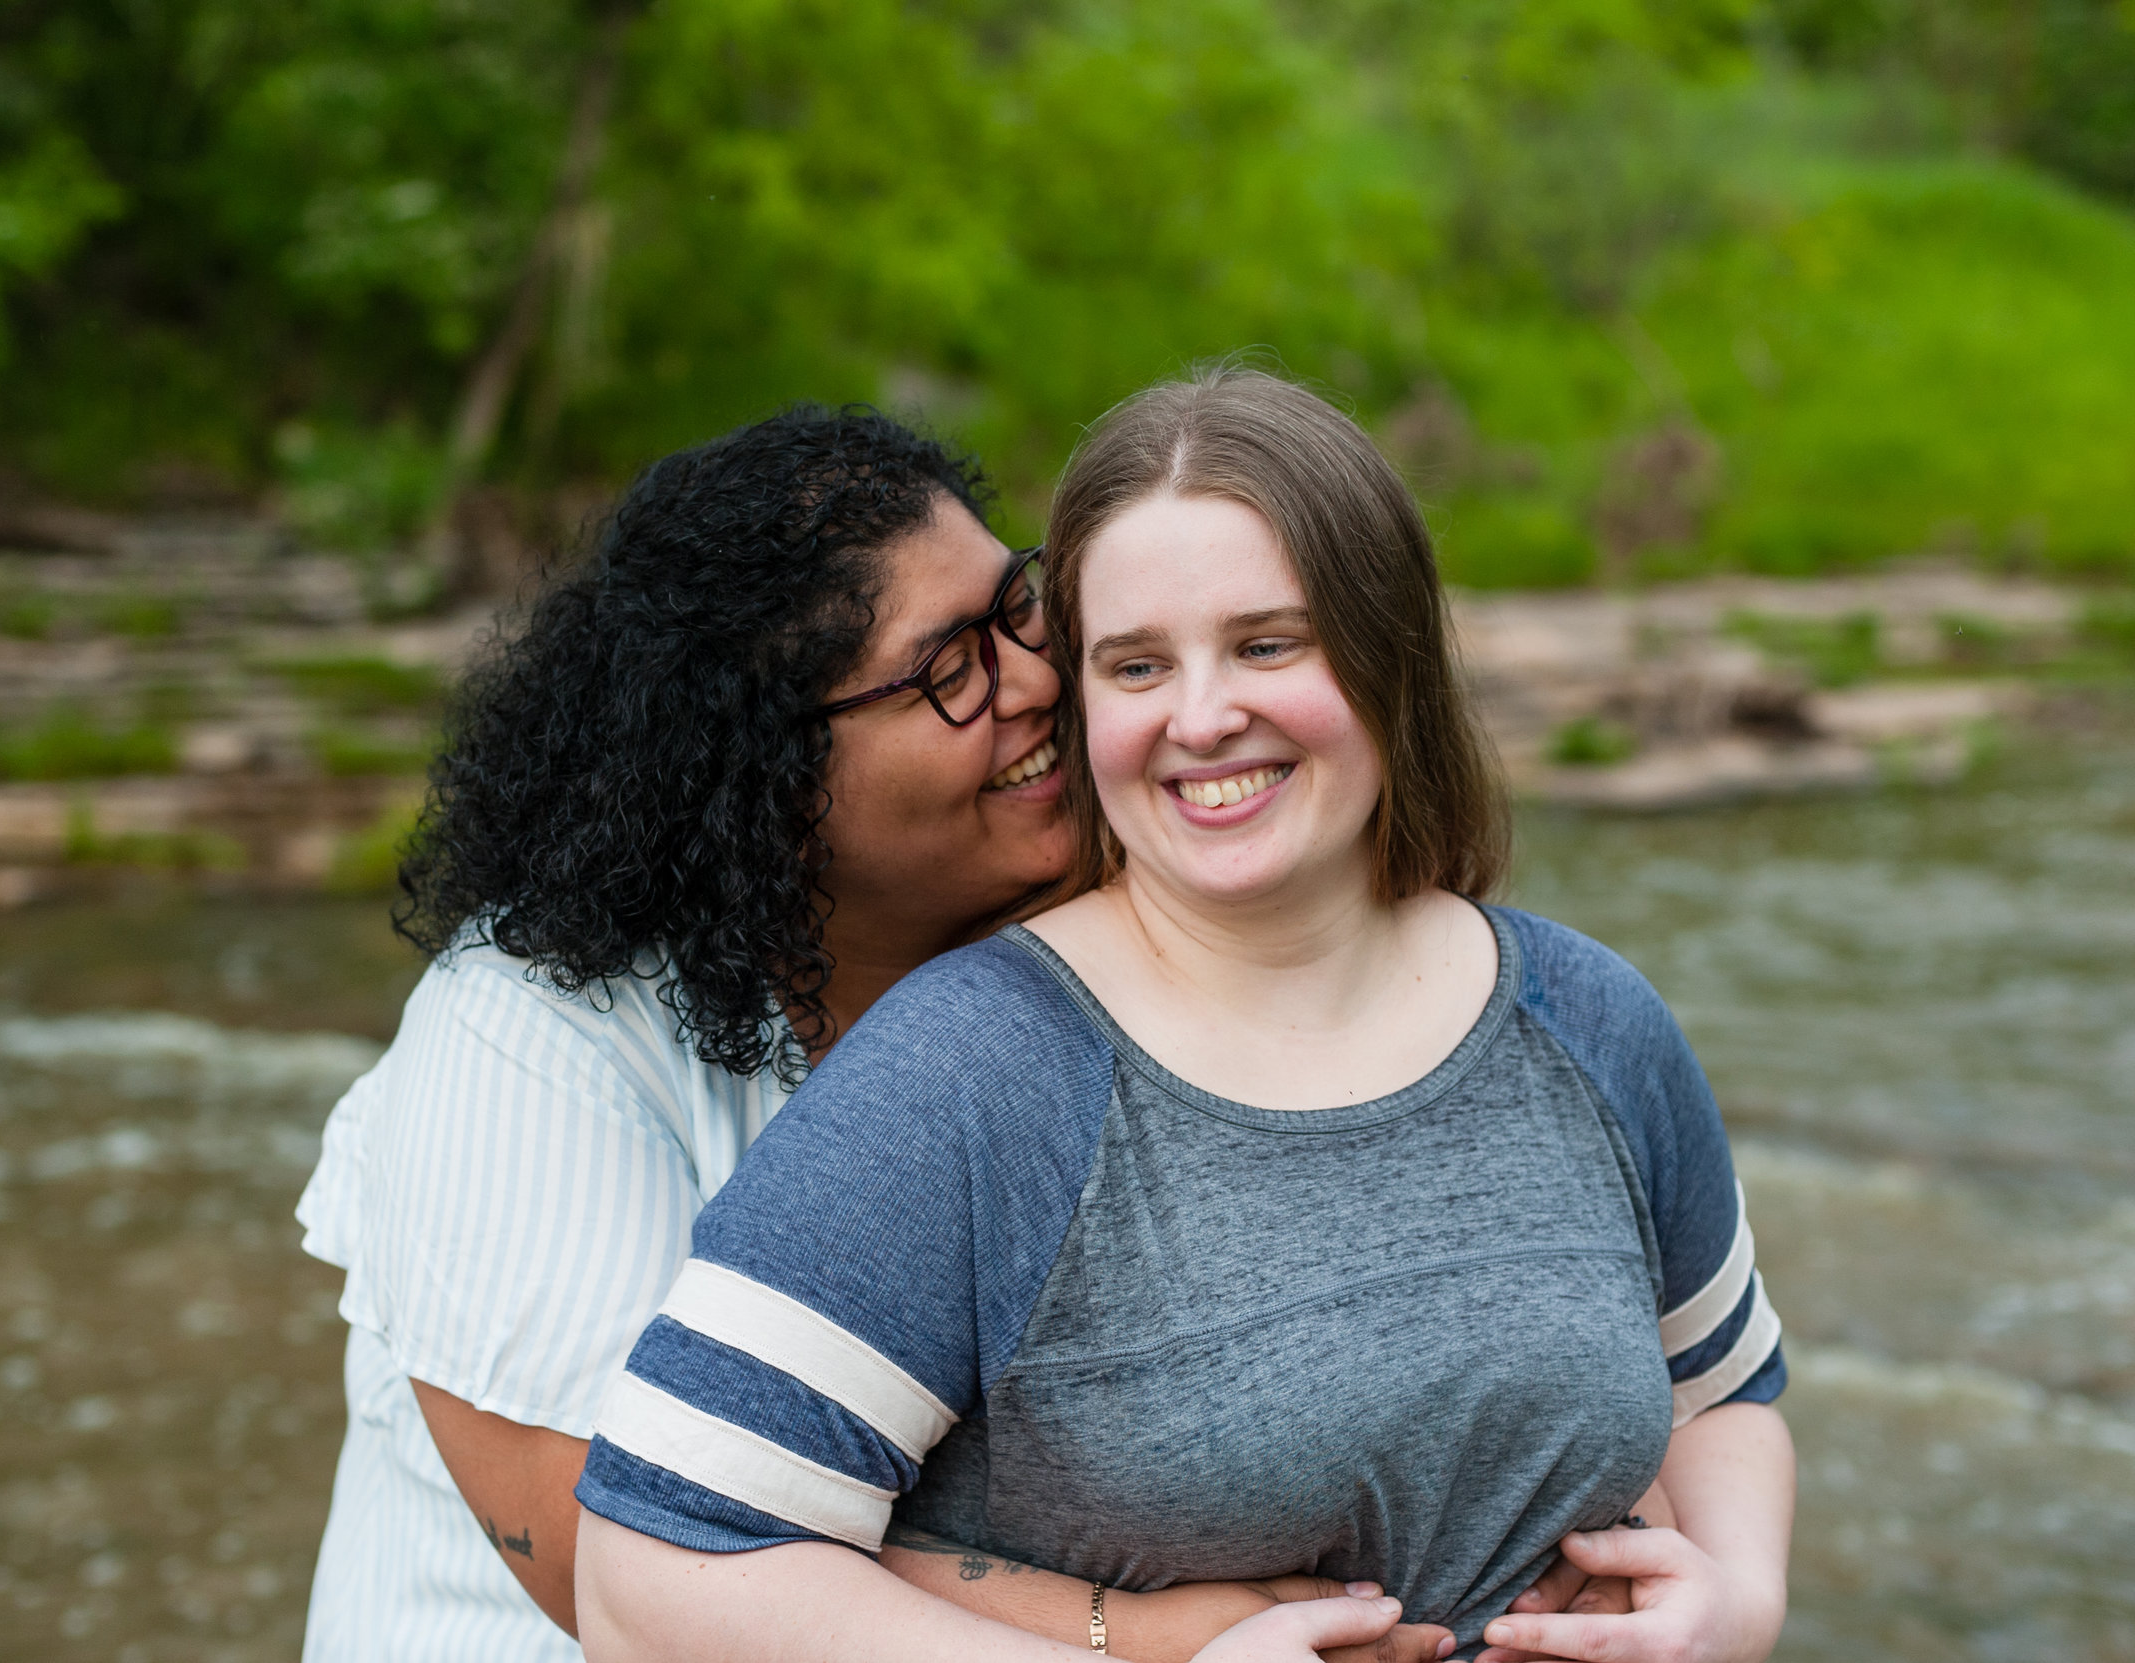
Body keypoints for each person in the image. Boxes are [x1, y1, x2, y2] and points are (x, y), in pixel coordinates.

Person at [570, 367, 1797, 1663]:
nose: (1203, 718)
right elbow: (650, 1577)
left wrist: (1738, 1596)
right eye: (1137, 663)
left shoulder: (1588, 1015)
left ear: (1390, 650)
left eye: (1269, 642)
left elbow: (1724, 1392)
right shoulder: (973, 1077)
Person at [293, 405, 1461, 1662]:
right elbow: (613, 1550)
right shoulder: (528, 1032)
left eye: (1017, 611)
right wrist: (1139, 1633)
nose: (1036, 681)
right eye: (950, 671)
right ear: (763, 773)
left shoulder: (1102, 947)